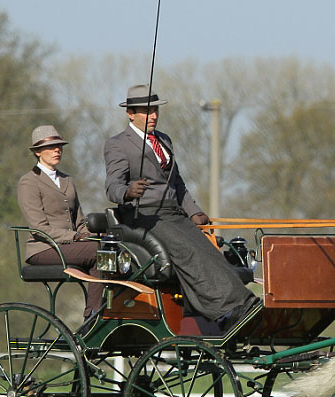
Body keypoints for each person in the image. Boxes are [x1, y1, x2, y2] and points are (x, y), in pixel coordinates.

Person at [104, 84, 258, 331]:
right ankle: (227, 310)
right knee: (187, 251)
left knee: (208, 248)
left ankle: (242, 303)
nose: (153, 115)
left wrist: (194, 211)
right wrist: (127, 191)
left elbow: (178, 183)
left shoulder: (164, 140)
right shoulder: (118, 144)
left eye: (155, 109)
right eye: (146, 111)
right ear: (130, 113)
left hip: (172, 212)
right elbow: (112, 185)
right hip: (144, 215)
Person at [17, 125, 103, 320]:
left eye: (60, 146)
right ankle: (93, 316)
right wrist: (75, 237)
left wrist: (92, 234)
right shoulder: (29, 182)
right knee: (99, 252)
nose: (57, 150)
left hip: (70, 244)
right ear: (37, 152)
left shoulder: (67, 180)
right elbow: (38, 228)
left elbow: (79, 221)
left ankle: (106, 311)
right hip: (43, 247)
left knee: (109, 248)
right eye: (51, 147)